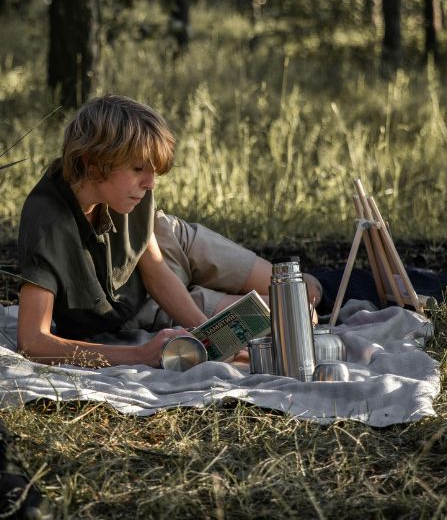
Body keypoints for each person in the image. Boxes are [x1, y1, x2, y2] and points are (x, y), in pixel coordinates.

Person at [17, 95, 321, 367]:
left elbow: (156, 270)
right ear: (93, 166)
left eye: (153, 172)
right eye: (138, 169)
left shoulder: (128, 192)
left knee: (301, 291)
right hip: (140, 306)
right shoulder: (47, 227)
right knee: (283, 312)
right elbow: (32, 342)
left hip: (169, 245)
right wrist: (142, 354)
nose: (150, 183)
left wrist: (209, 337)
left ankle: (324, 287)